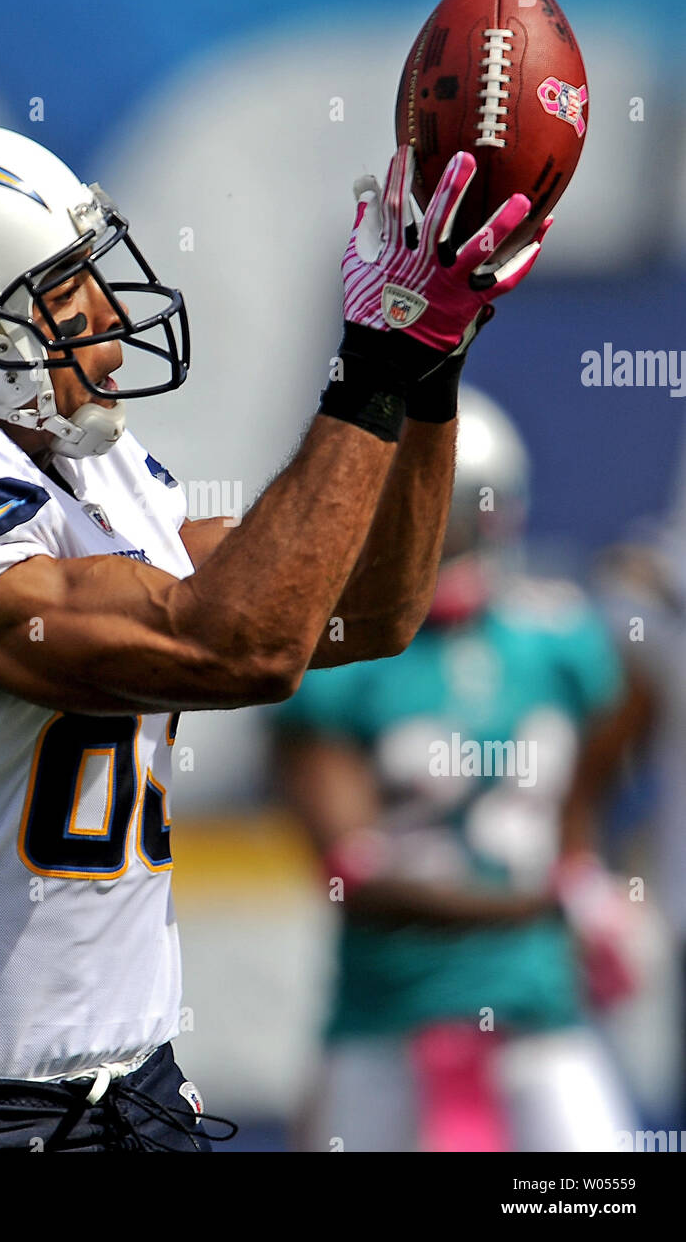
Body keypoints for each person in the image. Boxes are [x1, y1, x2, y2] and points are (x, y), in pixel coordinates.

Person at [0, 123, 548, 1152]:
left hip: (139, 1089)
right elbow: (239, 648)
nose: (103, 308)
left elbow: (367, 604)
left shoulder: (92, 470)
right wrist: (370, 363)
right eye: (58, 285)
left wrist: (428, 360)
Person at [271, 388, 641, 1152]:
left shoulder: (558, 646)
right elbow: (356, 876)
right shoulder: (341, 665)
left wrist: (579, 867)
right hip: (389, 1012)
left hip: (538, 1011)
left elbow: (593, 774)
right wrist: (550, 903)